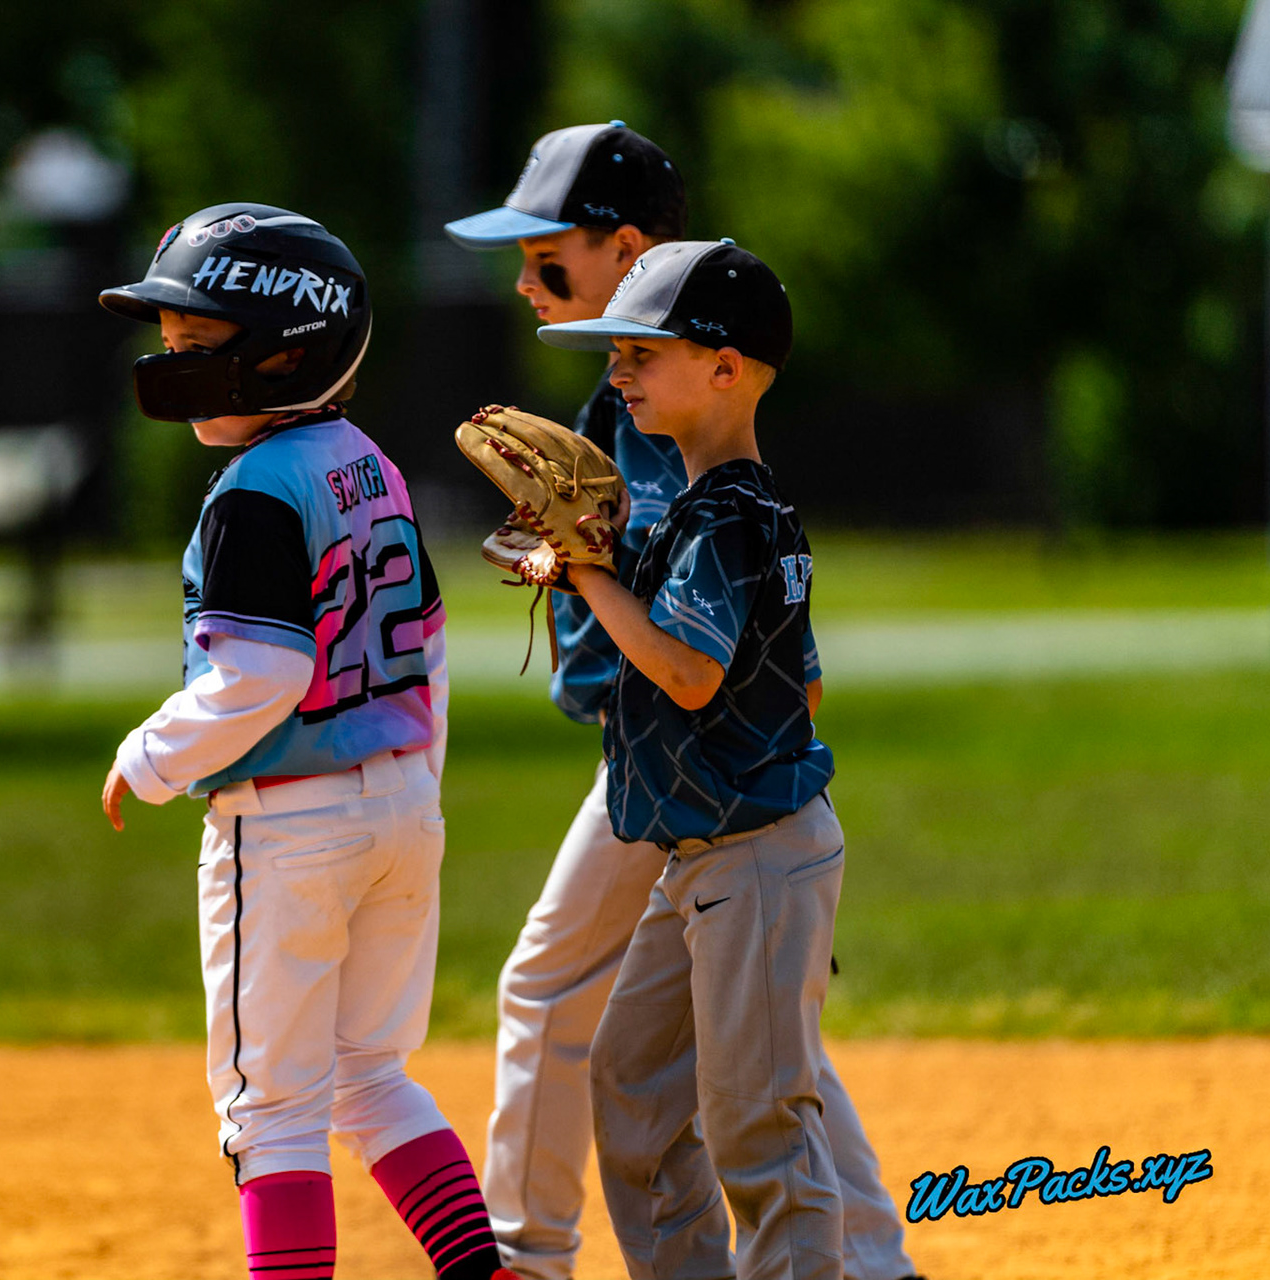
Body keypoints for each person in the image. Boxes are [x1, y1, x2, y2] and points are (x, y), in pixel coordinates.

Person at [447, 123, 919, 1280]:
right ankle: (865, 1253)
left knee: (569, 990)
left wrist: (583, 561)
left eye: (550, 260)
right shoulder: (640, 405)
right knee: (738, 1039)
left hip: (691, 767)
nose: (524, 282)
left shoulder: (682, 441)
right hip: (684, 765)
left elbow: (693, 629)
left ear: (633, 249)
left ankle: (526, 1249)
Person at [97, 203, 514, 1280]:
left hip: (285, 826)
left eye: (197, 345)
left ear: (282, 353)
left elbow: (262, 676)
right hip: (400, 807)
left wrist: (148, 756)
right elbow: (425, 642)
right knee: (370, 1075)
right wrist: (414, 787)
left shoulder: (251, 494)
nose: (172, 362)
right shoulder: (369, 465)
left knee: (269, 1107)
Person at [538, 239, 842, 1280]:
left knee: (758, 1126)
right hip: (718, 857)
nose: (615, 371)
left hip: (752, 853)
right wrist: (600, 563)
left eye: (639, 350)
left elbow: (689, 674)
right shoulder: (724, 512)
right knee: (632, 1082)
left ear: (725, 367)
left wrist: (586, 577)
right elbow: (799, 683)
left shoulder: (728, 515)